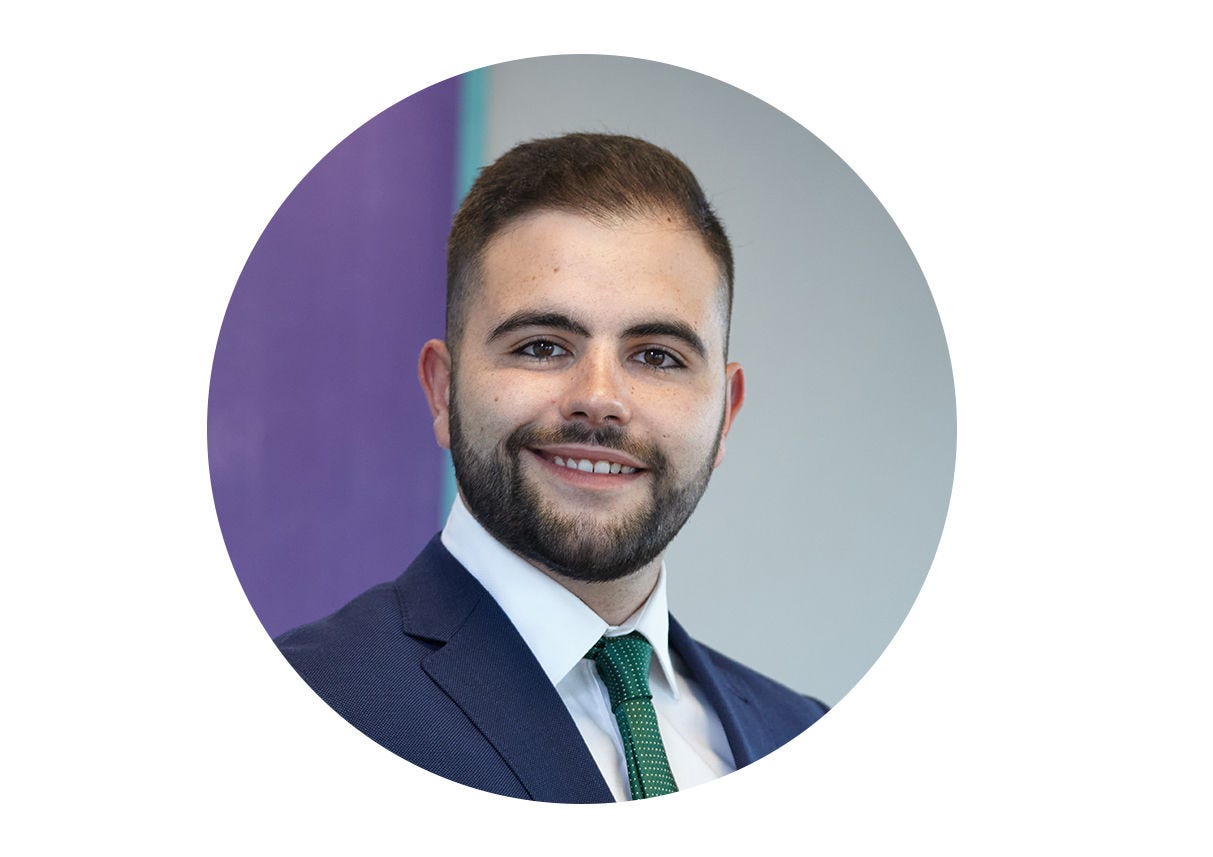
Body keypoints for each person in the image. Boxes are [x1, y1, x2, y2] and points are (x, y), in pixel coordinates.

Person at [276, 133, 827, 802]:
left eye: (657, 356)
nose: (599, 398)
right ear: (443, 391)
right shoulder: (306, 710)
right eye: (541, 346)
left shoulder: (802, 736)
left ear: (725, 414)